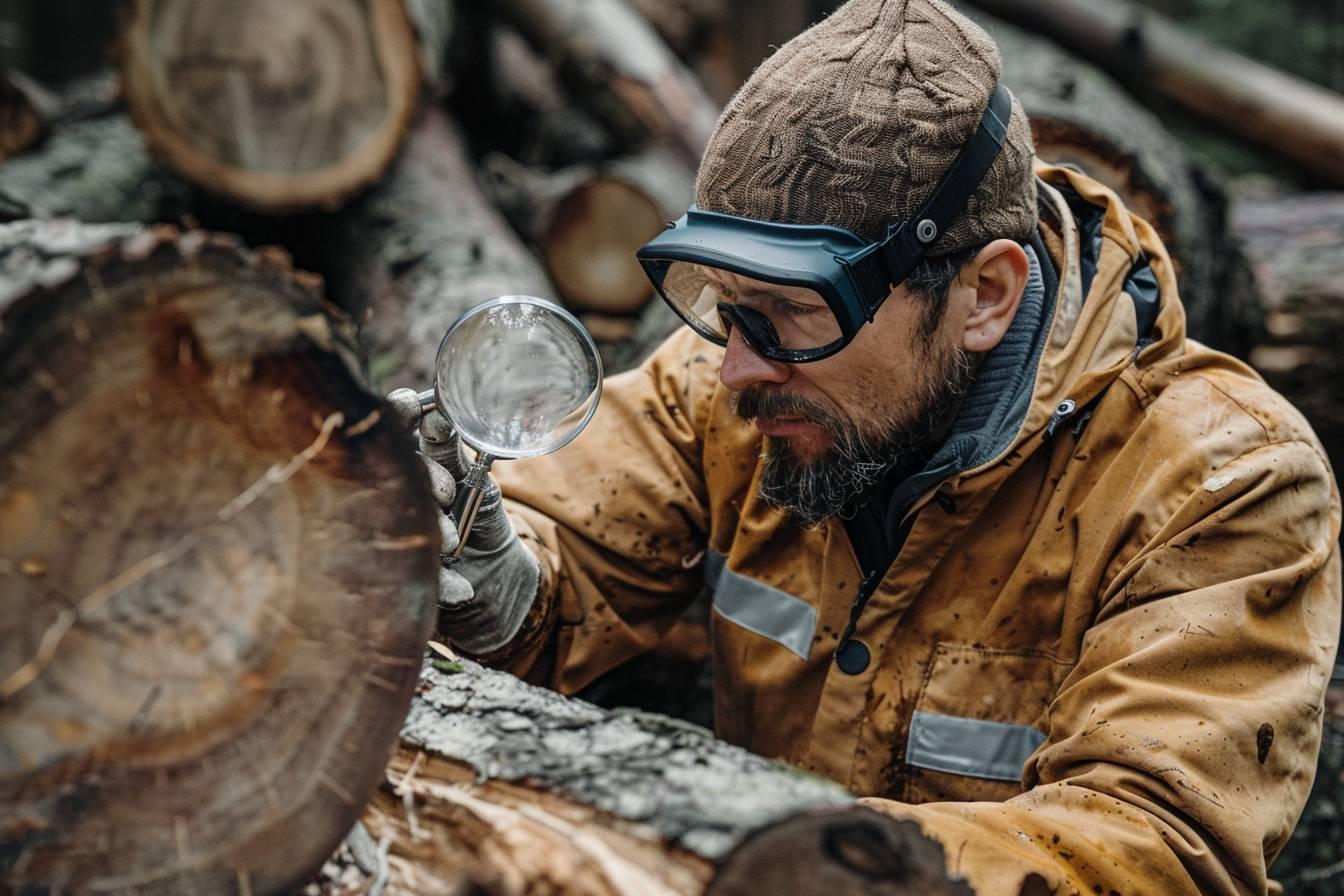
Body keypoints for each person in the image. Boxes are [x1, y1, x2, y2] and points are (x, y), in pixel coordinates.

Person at [389, 0, 1341, 891]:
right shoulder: (727, 383)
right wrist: (502, 591)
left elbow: (1152, 849)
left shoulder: (1222, 483)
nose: (735, 371)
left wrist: (817, 865)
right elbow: (568, 555)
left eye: (791, 315)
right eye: (728, 307)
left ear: (987, 296)